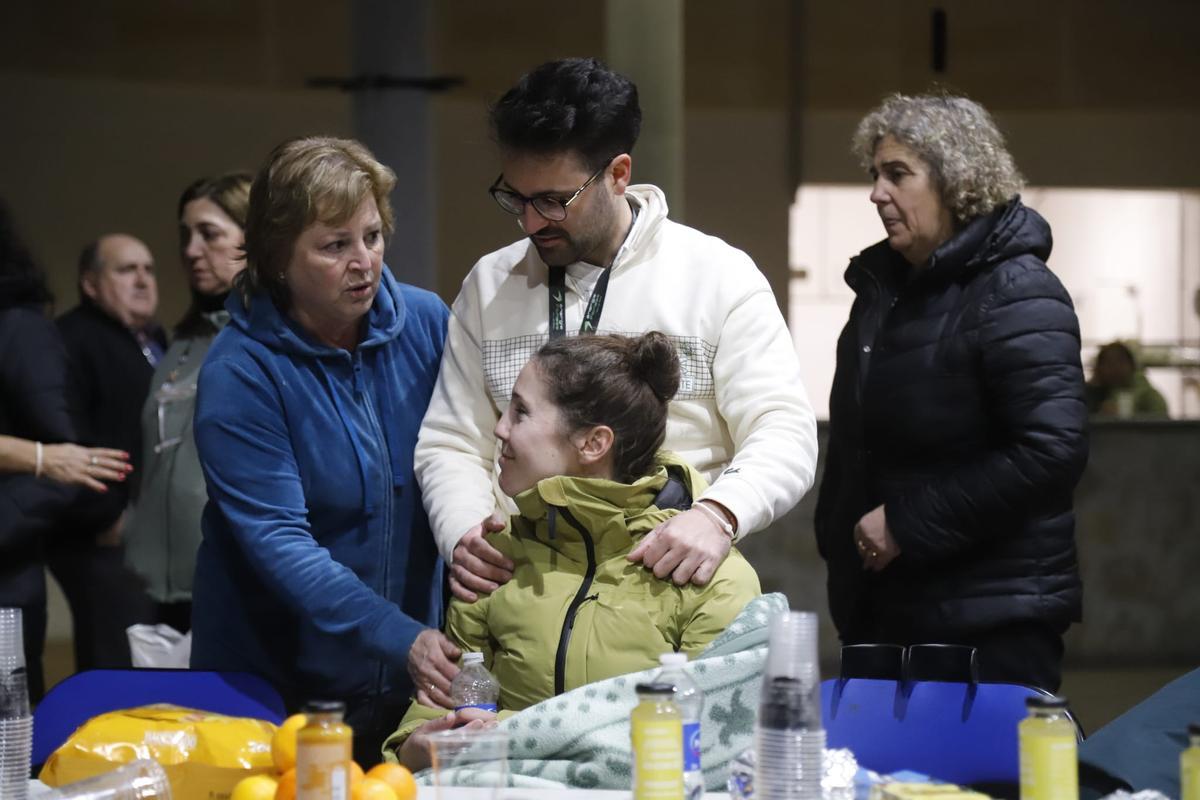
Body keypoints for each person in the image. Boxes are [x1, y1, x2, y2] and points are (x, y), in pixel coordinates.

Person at [414, 58, 816, 696]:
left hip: (663, 589)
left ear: (618, 174)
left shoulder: (718, 276)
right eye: (514, 198)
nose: (529, 222)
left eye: (552, 200)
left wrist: (718, 514)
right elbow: (450, 439)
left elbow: (785, 430)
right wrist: (464, 531)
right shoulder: (490, 284)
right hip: (520, 598)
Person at [814, 92, 1088, 693]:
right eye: (874, 174)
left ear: (956, 180)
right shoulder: (885, 290)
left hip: (987, 623)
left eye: (898, 174)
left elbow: (1051, 451)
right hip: (887, 606)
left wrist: (907, 524)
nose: (876, 193)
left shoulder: (1016, 289)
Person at [190, 136, 451, 766]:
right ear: (278, 259)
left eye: (372, 236)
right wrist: (401, 637)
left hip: (407, 681)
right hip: (277, 689)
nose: (364, 261)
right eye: (335, 246)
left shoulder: (427, 322)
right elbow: (281, 543)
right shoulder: (240, 370)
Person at [387, 332, 762, 770]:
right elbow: (433, 712)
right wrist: (411, 748)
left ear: (592, 444)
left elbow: (711, 751)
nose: (500, 428)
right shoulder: (493, 558)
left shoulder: (710, 576)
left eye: (521, 412)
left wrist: (504, 734)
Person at [0, 203, 122, 699]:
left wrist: (38, 462)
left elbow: (68, 455)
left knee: (10, 742)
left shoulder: (18, 328)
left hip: (6, 578)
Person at [124, 172, 252, 634]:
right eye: (186, 235)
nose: (191, 250)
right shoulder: (183, 342)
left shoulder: (262, 340)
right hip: (156, 586)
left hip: (231, 581)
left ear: (253, 237)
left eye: (209, 234)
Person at [52, 232, 165, 670]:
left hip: (150, 543)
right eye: (125, 269)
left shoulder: (156, 340)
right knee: (115, 673)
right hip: (101, 540)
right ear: (91, 283)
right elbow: (63, 435)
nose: (142, 280)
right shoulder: (71, 340)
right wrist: (107, 515)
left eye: (148, 269)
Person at [1086, 340, 1169, 419]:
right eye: (1108, 363)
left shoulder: (1147, 394)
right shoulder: (1091, 393)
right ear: (1099, 367)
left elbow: (1160, 421)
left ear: (1132, 365)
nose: (1115, 368)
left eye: (1120, 361)